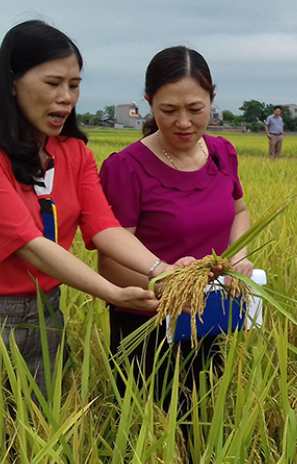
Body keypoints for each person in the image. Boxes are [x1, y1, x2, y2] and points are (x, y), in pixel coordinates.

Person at [0, 20, 184, 413]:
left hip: (45, 315)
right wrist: (113, 293)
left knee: (35, 435)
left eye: (74, 84)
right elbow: (28, 244)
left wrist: (163, 270)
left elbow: (104, 226)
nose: (66, 97)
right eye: (53, 83)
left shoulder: (74, 152)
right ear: (13, 82)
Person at [98, 46, 253, 402]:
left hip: (211, 314)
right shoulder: (126, 168)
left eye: (195, 109)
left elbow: (240, 211)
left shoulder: (221, 153)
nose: (183, 122)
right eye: (168, 110)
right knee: (150, 429)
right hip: (147, 322)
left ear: (212, 99)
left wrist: (239, 256)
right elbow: (109, 263)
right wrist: (166, 286)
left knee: (205, 420)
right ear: (150, 103)